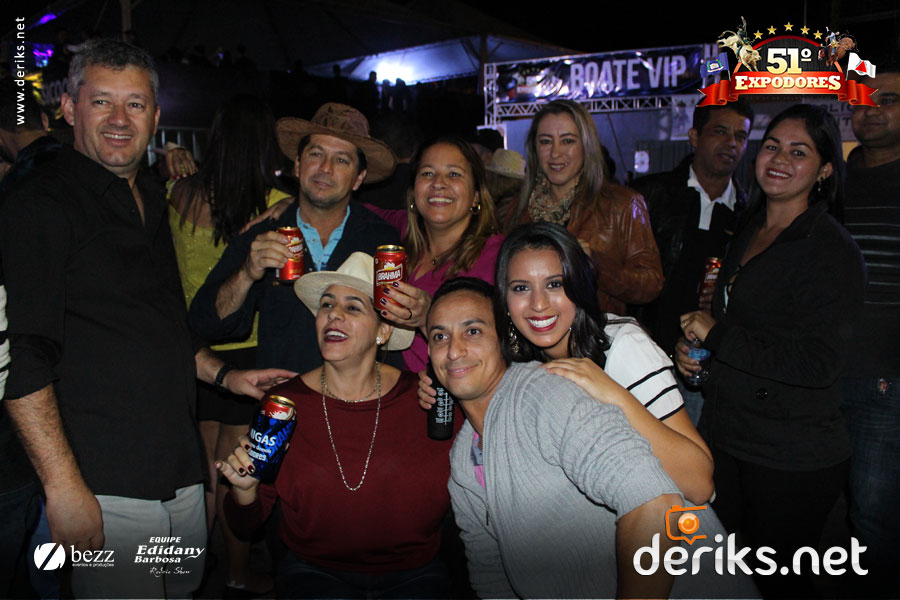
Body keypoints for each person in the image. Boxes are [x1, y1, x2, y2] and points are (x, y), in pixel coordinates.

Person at [0, 40, 294, 599]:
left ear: (156, 117)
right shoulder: (39, 204)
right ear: (68, 108)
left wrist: (225, 375)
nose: (119, 119)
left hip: (178, 469)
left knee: (184, 589)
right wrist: (63, 487)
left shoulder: (153, 199)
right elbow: (22, 355)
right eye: (101, 102)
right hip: (104, 481)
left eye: (134, 104)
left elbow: (161, 325)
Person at [426, 277, 756, 599]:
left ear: (504, 338)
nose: (454, 350)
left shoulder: (546, 397)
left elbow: (656, 504)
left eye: (473, 331)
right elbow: (492, 578)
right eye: (440, 336)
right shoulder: (465, 460)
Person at [677, 104, 866, 598]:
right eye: (773, 147)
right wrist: (698, 356)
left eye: (799, 152)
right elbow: (741, 327)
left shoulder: (831, 249)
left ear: (825, 170)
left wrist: (718, 337)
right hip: (727, 434)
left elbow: (818, 362)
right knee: (713, 579)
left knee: (775, 586)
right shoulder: (751, 227)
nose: (779, 159)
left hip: (790, 455)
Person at [217, 252, 455, 599]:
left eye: (353, 307)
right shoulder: (283, 405)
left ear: (383, 331)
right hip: (313, 570)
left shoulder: (425, 398)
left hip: (415, 572)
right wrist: (244, 491)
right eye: (326, 305)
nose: (334, 315)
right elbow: (245, 526)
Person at [168, 93, 293, 596]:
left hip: (195, 350)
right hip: (248, 349)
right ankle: (238, 572)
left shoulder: (176, 193)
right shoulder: (273, 204)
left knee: (203, 470)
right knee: (237, 467)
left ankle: (191, 572)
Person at [189, 103, 400, 374]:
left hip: (358, 396)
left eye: (341, 160)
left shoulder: (381, 239)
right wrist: (246, 273)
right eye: (316, 154)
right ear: (298, 166)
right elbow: (205, 323)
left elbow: (394, 334)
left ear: (358, 178)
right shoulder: (264, 235)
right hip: (285, 395)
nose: (325, 168)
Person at [632, 100, 754, 425]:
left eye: (741, 136)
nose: (731, 143)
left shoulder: (750, 214)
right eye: (720, 132)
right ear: (695, 136)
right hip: (645, 355)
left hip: (705, 363)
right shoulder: (649, 196)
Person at [505, 99, 663, 315]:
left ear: (586, 146)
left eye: (567, 141)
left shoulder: (622, 204)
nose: (556, 153)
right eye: (545, 141)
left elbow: (651, 285)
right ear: (534, 148)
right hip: (533, 326)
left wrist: (594, 264)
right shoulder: (518, 207)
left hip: (597, 331)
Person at [364, 136, 503, 372]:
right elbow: (350, 211)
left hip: (449, 389)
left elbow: (505, 348)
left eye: (454, 174)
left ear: (476, 196)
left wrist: (430, 317)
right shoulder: (398, 229)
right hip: (387, 384)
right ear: (413, 193)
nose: (438, 183)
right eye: (427, 173)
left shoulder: (500, 258)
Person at [839, 61, 900, 597]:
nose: (871, 110)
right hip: (816, 373)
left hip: (884, 378)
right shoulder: (832, 181)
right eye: (862, 100)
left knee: (874, 519)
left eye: (888, 100)